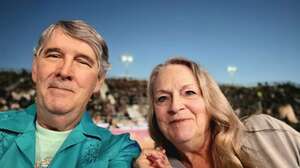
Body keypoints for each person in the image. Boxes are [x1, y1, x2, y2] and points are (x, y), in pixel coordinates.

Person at [0, 20, 140, 167]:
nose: (65, 71)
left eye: (82, 62)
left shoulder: (117, 149)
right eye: (54, 55)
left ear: (98, 81)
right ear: (35, 67)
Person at [134, 57, 300, 168]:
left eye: (189, 92)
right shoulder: (160, 165)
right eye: (162, 98)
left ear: (210, 101)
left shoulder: (265, 135)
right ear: (154, 112)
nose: (175, 106)